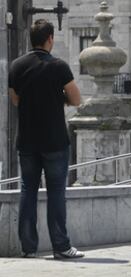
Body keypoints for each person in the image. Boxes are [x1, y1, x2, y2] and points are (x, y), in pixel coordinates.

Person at [8, 19, 84, 259]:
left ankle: (28, 248)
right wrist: (56, 97)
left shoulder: (16, 66)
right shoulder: (59, 66)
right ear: (50, 38)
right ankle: (61, 247)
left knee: (27, 192)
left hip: (27, 141)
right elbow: (76, 100)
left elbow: (15, 100)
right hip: (54, 141)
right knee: (56, 193)